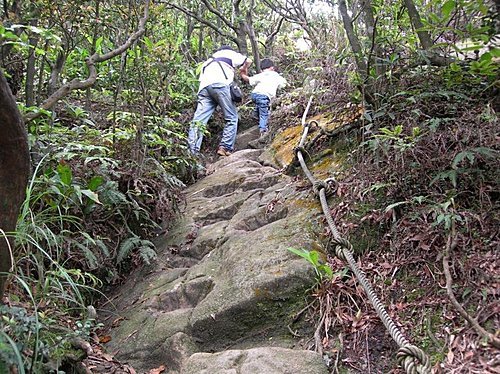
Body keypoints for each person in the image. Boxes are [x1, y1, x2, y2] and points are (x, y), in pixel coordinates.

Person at [187, 46, 251, 157]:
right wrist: (243, 69)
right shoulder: (229, 53)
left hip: (204, 89)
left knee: (198, 121)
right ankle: (225, 147)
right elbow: (248, 60)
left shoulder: (208, 61)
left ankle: (192, 152)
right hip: (220, 85)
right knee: (231, 117)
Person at [240, 58, 287, 136]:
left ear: (262, 69)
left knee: (260, 105)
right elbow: (284, 84)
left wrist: (242, 74)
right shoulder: (276, 75)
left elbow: (248, 79)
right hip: (264, 96)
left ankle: (255, 115)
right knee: (264, 114)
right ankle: (263, 130)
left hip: (254, 94)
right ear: (272, 67)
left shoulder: (261, 75)